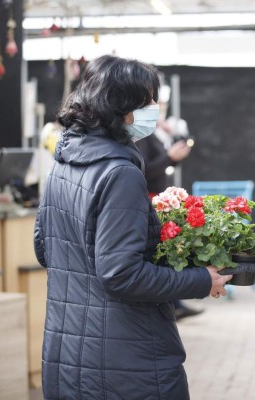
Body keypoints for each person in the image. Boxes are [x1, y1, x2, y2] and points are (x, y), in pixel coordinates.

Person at [33, 55, 231, 400]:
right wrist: (201, 279)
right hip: (125, 361)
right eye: (148, 100)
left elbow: (43, 247)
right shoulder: (118, 173)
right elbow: (120, 273)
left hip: (67, 353)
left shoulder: (64, 161)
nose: (154, 108)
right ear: (122, 108)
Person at [136, 86, 203, 320]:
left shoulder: (153, 134)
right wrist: (169, 157)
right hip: (150, 197)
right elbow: (145, 169)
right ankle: (173, 303)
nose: (157, 108)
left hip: (157, 197)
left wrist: (172, 157)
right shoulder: (141, 138)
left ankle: (175, 302)